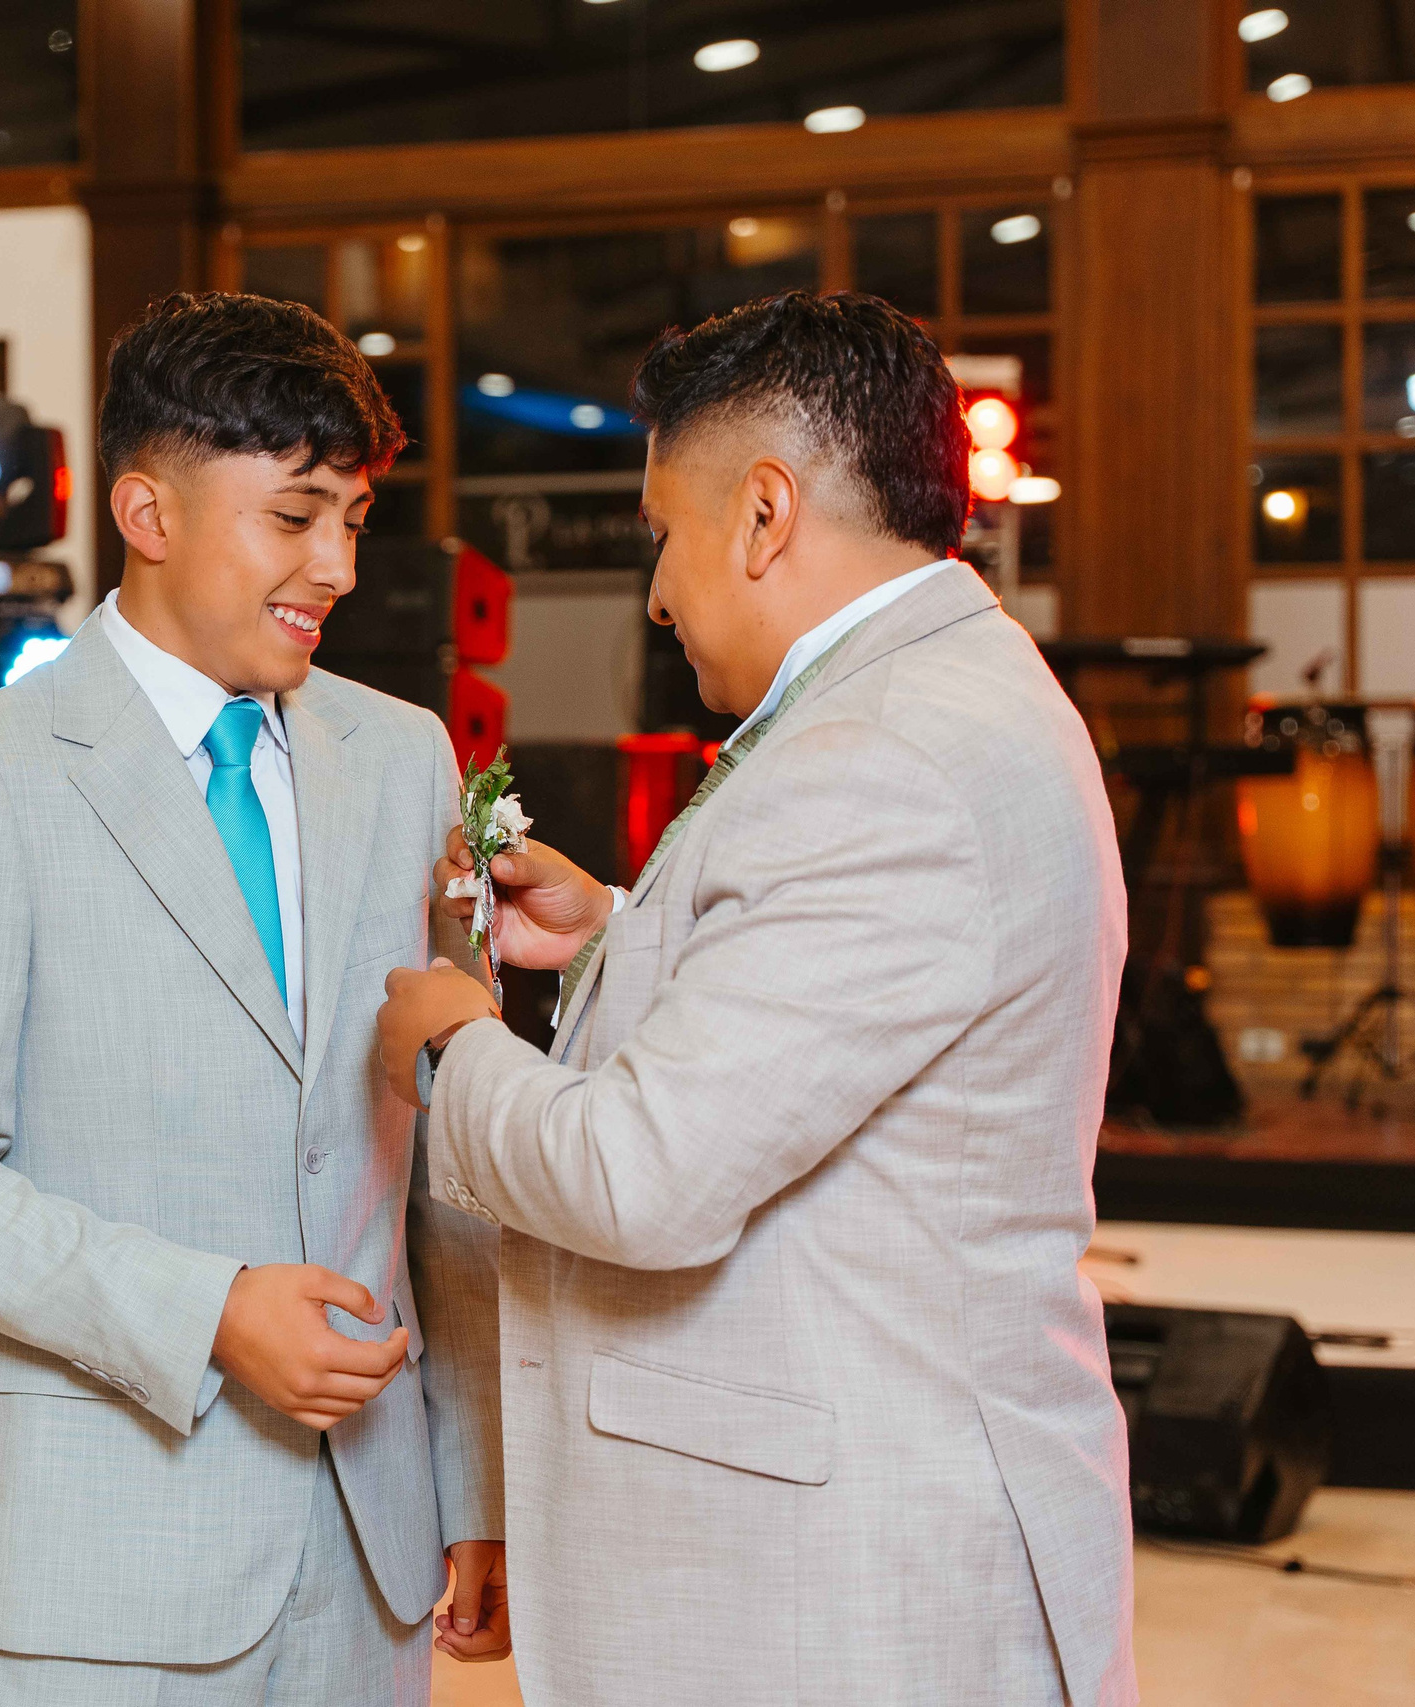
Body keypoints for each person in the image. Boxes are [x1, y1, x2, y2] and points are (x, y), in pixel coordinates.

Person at [375, 290, 1137, 1706]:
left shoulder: (888, 752)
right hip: (857, 1539)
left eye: (665, 532)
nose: (658, 592)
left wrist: (448, 1042)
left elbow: (644, 1180)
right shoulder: (937, 689)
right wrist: (617, 934)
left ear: (767, 512)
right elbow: (848, 1017)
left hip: (843, 1589)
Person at [0, 291, 505, 1707]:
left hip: (370, 1557)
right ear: (148, 513)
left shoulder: (406, 758)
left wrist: (472, 1476)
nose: (335, 565)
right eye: (296, 516)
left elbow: (441, 1164)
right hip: (99, 1557)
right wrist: (204, 1313)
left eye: (356, 522)